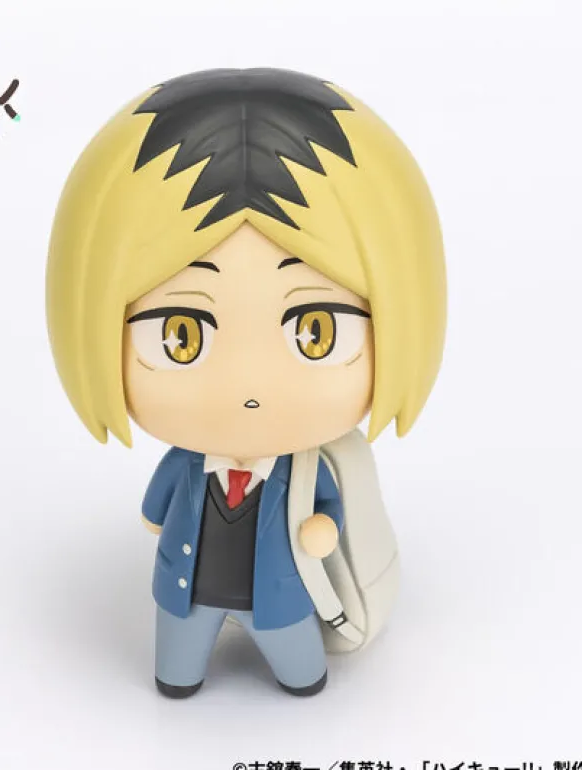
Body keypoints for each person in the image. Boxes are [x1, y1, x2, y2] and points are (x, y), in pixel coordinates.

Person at [46, 68, 446, 698]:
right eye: (181, 335)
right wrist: (154, 518)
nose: (248, 382)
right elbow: (157, 507)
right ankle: (180, 676)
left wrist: (324, 529)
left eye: (316, 332)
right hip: (186, 594)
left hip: (278, 598)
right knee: (177, 665)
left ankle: (300, 675)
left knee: (300, 666)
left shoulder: (305, 472)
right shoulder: (185, 464)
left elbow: (327, 511)